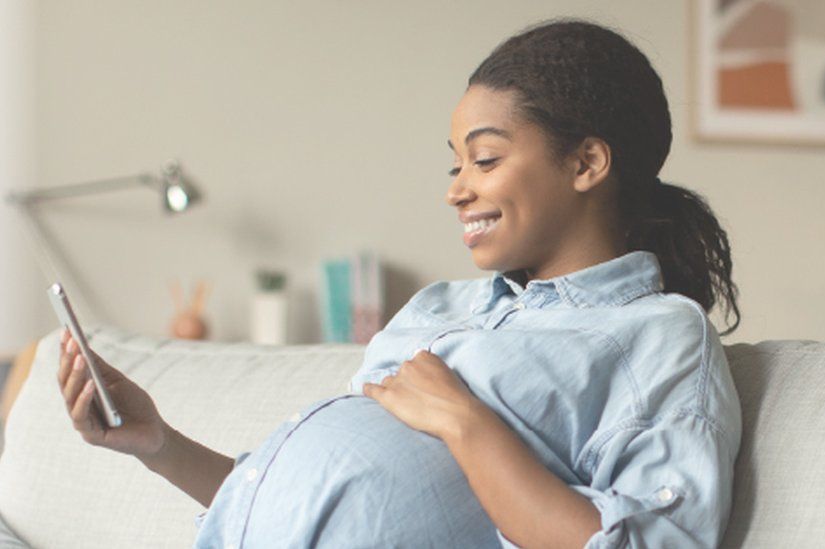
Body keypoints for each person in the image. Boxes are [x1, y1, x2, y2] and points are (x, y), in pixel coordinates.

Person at [57, 18, 742, 548]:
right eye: (455, 167)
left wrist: (468, 424)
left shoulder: (659, 334)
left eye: (485, 158)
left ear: (587, 161)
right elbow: (306, 507)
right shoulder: (440, 308)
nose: (458, 190)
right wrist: (158, 443)